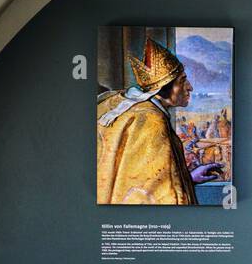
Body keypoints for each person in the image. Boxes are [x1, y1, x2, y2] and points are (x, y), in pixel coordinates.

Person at [96, 36, 223, 204]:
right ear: (164, 87)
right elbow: (154, 199)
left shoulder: (139, 110)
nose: (190, 87)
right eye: (182, 81)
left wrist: (188, 178)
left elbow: (145, 180)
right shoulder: (151, 120)